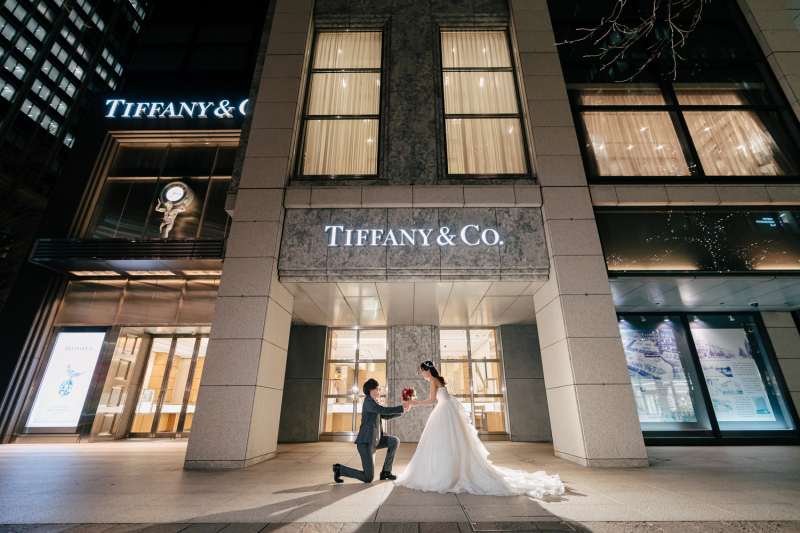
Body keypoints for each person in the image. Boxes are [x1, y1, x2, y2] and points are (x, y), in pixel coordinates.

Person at [396, 361, 565, 499]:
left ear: (427, 370)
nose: (422, 374)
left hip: (442, 411)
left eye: (422, 371)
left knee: (442, 442)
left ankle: (445, 474)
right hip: (447, 411)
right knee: (450, 442)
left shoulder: (433, 381)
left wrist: (414, 403)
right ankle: (452, 471)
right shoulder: (438, 380)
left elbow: (432, 400)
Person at [333, 378, 409, 483]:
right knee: (368, 477)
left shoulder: (373, 403)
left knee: (394, 441)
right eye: (378, 389)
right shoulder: (369, 401)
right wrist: (401, 407)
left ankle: (386, 472)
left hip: (374, 440)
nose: (379, 391)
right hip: (366, 443)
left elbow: (384, 415)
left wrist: (401, 411)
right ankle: (340, 469)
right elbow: (384, 410)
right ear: (371, 390)